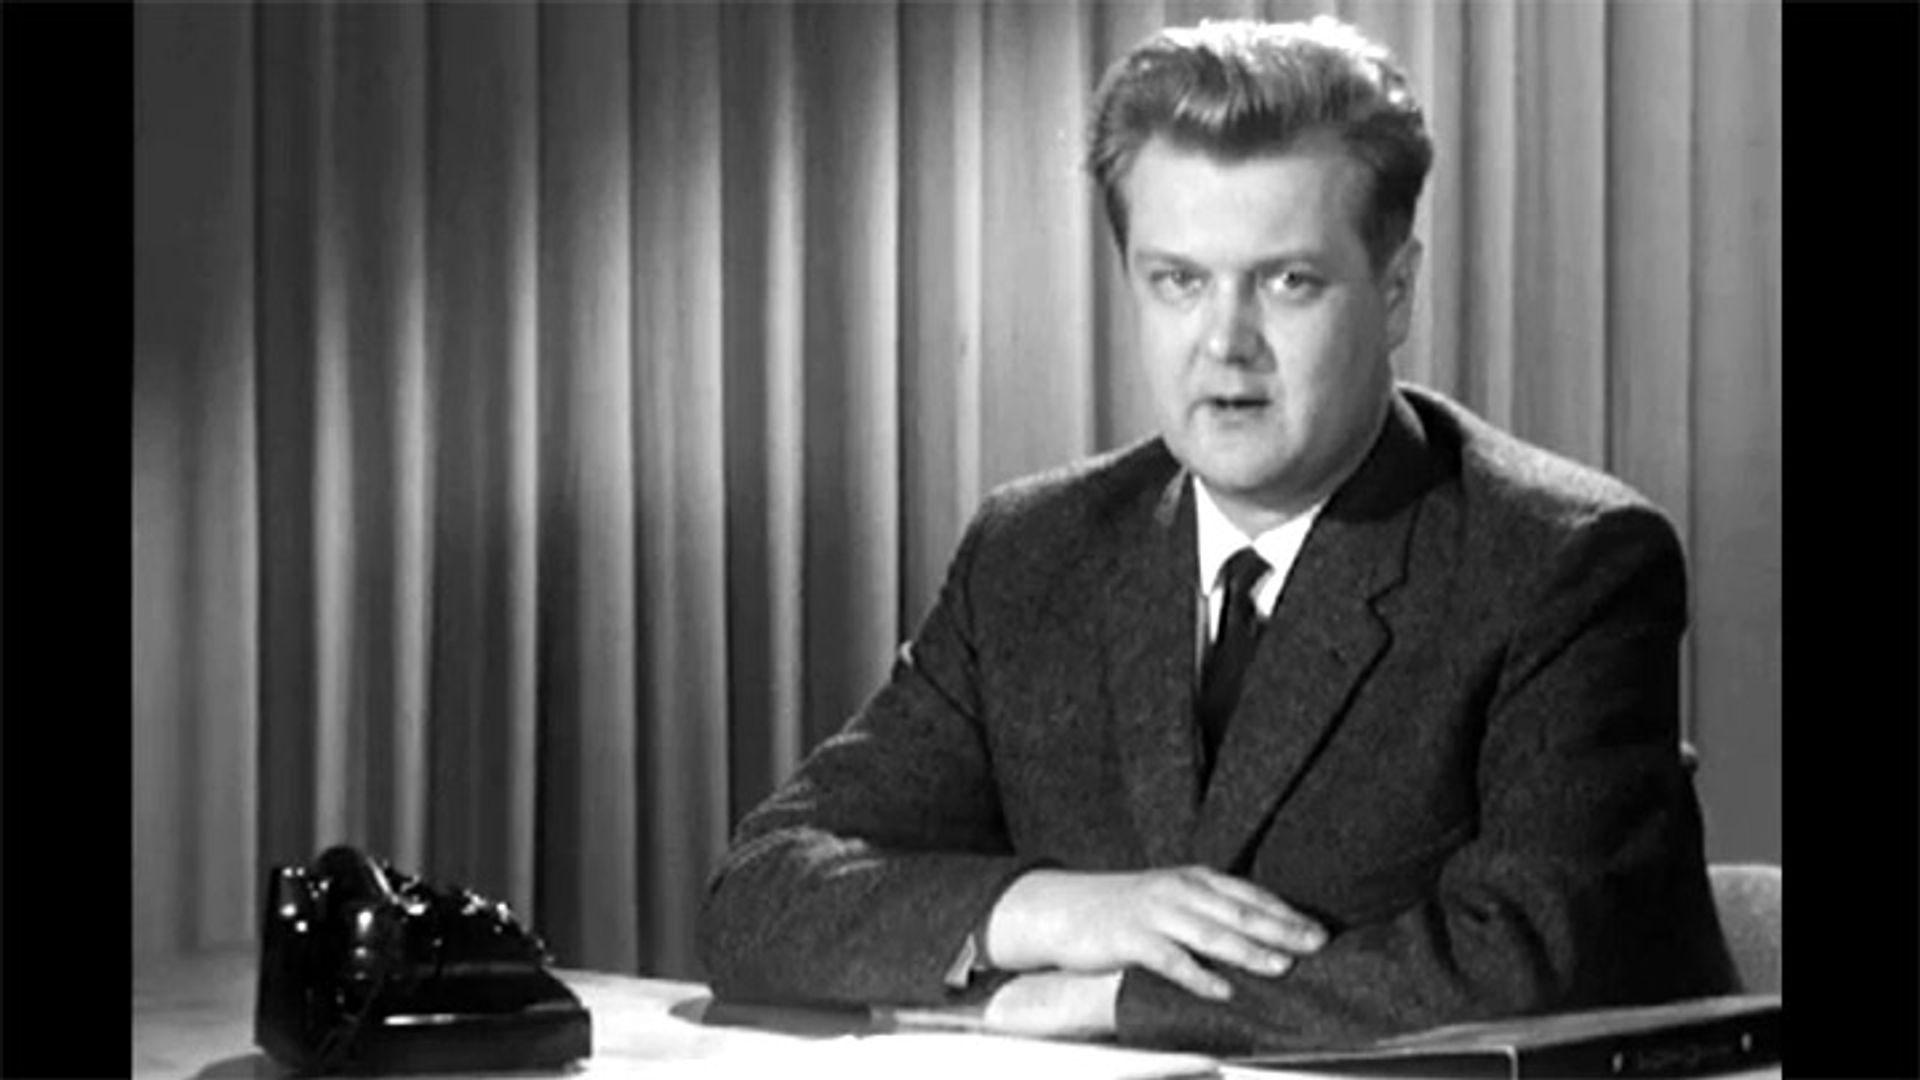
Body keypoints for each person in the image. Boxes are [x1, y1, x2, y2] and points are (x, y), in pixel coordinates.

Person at [695, 16, 1736, 1054]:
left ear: (1396, 293)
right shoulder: (1034, 553)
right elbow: (759, 898)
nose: (1225, 344)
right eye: (1179, 281)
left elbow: (1538, 964)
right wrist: (1052, 911)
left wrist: (1118, 999)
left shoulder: (1565, 563)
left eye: (1288, 282)